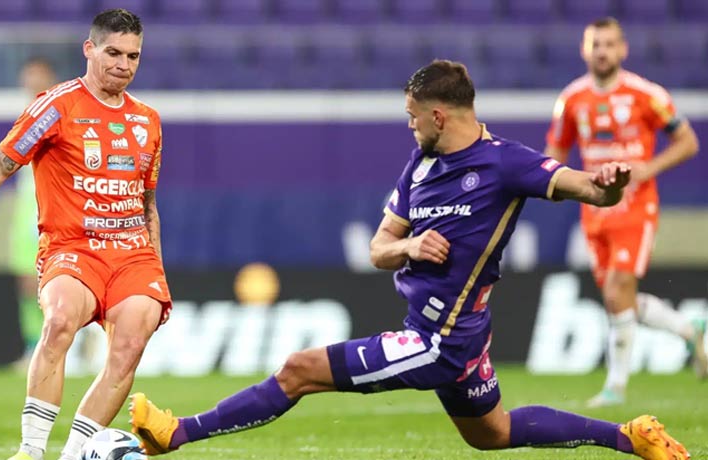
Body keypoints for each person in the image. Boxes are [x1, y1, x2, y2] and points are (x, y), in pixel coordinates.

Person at [129, 60, 689, 460]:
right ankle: (630, 437)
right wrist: (409, 246)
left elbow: (587, 188)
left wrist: (611, 185)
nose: (409, 124)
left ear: (439, 115)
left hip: (438, 340)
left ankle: (176, 434)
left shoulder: (506, 164)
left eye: (412, 115)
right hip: (453, 333)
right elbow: (379, 248)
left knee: (299, 369)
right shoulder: (419, 168)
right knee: (491, 433)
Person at [0, 9, 171, 460]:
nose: (123, 64)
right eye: (113, 52)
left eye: (133, 56)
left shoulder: (147, 120)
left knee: (130, 343)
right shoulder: (55, 105)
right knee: (60, 320)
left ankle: (73, 455)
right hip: (72, 249)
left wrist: (156, 271)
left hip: (132, 253)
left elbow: (147, 203)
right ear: (89, 50)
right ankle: (30, 451)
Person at [544, 17, 705, 408]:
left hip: (636, 206)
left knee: (618, 290)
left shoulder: (646, 95)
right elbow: (555, 153)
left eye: (609, 44)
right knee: (619, 300)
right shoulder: (571, 100)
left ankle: (615, 388)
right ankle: (690, 329)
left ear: (623, 49)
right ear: (585, 51)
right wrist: (556, 184)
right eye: (596, 44)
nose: (602, 51)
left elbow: (688, 142)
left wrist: (649, 168)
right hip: (594, 208)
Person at [11, 57, 58, 370]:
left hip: (49, 207)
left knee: (54, 283)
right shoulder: (26, 116)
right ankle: (33, 347)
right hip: (26, 209)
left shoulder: (59, 112)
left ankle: (62, 348)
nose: (32, 81)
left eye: (38, 76)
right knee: (27, 283)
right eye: (28, 76)